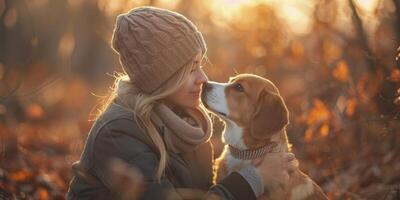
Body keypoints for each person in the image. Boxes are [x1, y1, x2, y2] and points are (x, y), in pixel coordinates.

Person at [66, 6, 297, 200]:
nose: (204, 79)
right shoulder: (117, 132)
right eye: (191, 68)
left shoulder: (189, 127)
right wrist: (255, 178)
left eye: (201, 64)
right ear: (162, 77)